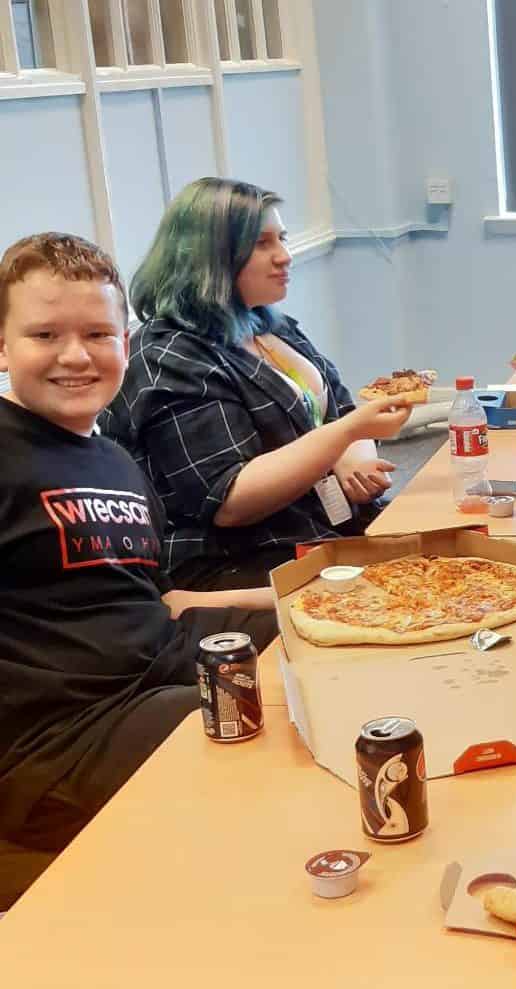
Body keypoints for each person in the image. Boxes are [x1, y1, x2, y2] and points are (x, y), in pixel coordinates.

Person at [0, 233, 280, 910]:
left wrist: (292, 601)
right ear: (3, 345)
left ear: (124, 339)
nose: (75, 355)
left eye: (97, 332)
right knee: (240, 726)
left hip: (153, 666)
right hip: (61, 736)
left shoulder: (113, 460)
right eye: (45, 333)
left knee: (312, 639)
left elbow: (157, 598)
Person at [101, 178, 410, 591]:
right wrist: (344, 438)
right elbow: (230, 501)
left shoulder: (267, 323)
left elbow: (340, 408)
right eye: (262, 244)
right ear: (209, 257)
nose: (284, 256)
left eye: (281, 238)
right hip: (237, 565)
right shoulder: (169, 356)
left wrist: (355, 453)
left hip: (319, 532)